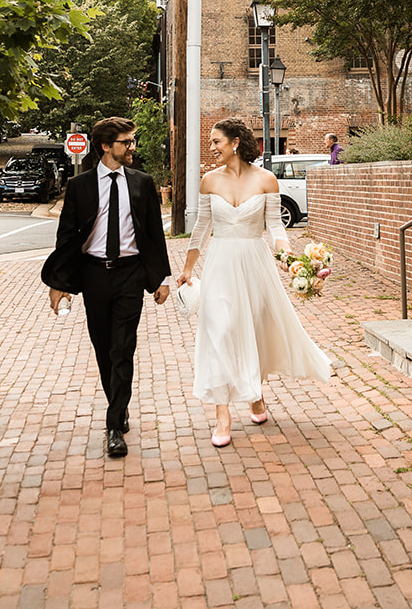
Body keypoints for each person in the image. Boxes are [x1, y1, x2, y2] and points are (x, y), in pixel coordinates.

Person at [176, 117, 331, 448]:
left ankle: (255, 394)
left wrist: (289, 257)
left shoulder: (267, 179)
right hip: (220, 262)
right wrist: (188, 268)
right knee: (219, 328)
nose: (212, 147)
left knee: (255, 328)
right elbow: (202, 227)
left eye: (216, 141)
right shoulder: (208, 181)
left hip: (255, 261)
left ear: (235, 143)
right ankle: (222, 414)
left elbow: (275, 227)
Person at [42, 117, 172, 458]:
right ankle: (119, 400)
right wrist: (60, 283)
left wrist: (160, 278)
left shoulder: (143, 183)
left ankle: (114, 424)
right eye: (126, 142)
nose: (132, 147)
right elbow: (67, 238)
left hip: (130, 273)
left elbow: (154, 235)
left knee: (122, 348)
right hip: (94, 274)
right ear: (105, 146)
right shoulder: (80, 186)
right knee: (103, 347)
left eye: (132, 141)